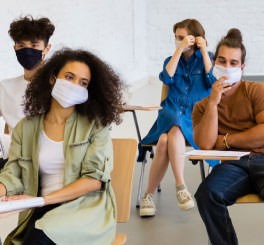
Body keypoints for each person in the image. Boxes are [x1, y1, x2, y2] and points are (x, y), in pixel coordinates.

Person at [0, 48, 124, 244]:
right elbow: (13, 171)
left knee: (38, 239)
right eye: (69, 77)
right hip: (41, 208)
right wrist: (2, 189)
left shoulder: (95, 126)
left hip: (84, 209)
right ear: (52, 78)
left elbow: (94, 180)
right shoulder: (26, 127)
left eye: (83, 83)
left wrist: (40, 201)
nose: (75, 85)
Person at [193, 28, 264, 245]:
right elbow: (205, 143)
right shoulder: (203, 106)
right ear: (214, 64)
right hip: (235, 164)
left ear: (242, 67)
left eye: (233, 62)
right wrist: (213, 102)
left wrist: (226, 140)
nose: (227, 67)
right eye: (222, 61)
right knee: (207, 195)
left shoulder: (257, 90)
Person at [139, 18, 215, 217]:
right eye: (176, 38)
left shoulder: (207, 58)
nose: (178, 41)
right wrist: (179, 50)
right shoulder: (171, 59)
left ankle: (147, 195)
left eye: (182, 38)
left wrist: (205, 50)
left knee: (164, 140)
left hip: (194, 118)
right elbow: (166, 78)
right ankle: (181, 186)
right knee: (174, 120)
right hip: (170, 113)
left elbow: (212, 80)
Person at [0, 15, 55, 167]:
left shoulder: (57, 86)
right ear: (15, 48)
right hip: (13, 161)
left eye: (34, 45)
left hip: (47, 162)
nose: (27, 50)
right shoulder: (5, 87)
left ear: (47, 48)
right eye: (21, 46)